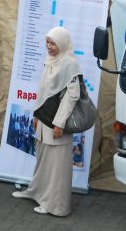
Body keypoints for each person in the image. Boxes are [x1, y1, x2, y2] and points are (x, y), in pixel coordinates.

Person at [12, 27, 81, 217]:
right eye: (47, 42)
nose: (49, 47)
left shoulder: (70, 64)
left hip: (56, 122)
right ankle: (37, 192)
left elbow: (72, 96)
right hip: (44, 119)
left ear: (62, 43)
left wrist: (59, 124)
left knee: (56, 168)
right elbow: (42, 91)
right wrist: (36, 115)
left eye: (53, 43)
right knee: (43, 161)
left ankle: (55, 206)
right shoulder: (50, 61)